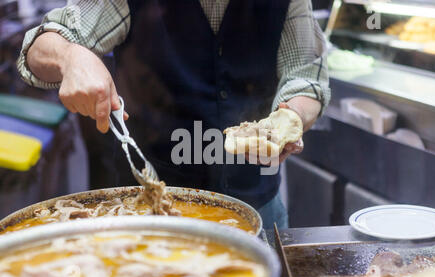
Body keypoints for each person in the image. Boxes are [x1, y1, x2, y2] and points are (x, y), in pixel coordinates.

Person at [17, 0, 330, 229]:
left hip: (257, 209)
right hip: (151, 213)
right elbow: (37, 47)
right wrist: (71, 56)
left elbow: (306, 76)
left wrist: (290, 119)